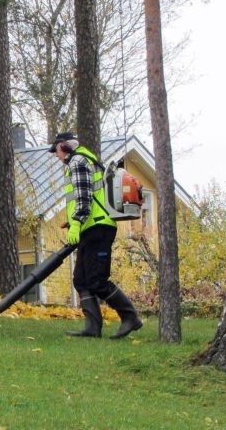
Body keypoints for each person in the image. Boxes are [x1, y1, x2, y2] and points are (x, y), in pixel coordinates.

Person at [49, 131, 143, 339]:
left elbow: (83, 197)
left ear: (64, 147)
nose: (56, 155)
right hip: (90, 227)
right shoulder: (84, 160)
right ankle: (92, 328)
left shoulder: (78, 161)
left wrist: (78, 221)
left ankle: (130, 317)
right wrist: (72, 222)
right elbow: (86, 196)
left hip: (98, 228)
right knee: (81, 280)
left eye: (56, 150)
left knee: (97, 280)